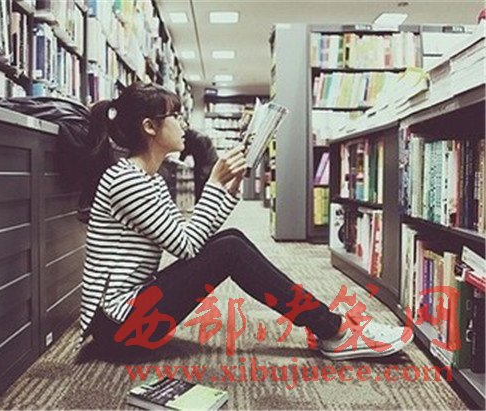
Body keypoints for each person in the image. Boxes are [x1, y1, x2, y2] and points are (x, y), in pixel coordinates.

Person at [79, 81, 413, 360]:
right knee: (229, 251)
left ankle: (325, 324)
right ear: (150, 127)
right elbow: (186, 246)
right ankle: (332, 329)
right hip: (120, 329)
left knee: (232, 240)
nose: (184, 125)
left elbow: (189, 237)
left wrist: (227, 190)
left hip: (130, 314)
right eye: (175, 116)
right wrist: (214, 184)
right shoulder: (127, 181)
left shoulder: (148, 177)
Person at [179, 128, 219, 201]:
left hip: (206, 167)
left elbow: (186, 152)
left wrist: (180, 159)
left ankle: (200, 201)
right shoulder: (196, 137)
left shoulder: (198, 139)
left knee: (201, 186)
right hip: (207, 165)